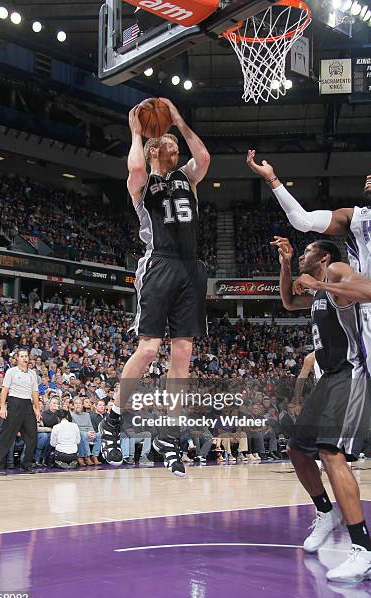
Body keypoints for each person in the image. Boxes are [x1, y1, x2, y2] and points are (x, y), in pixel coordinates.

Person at [99, 97, 210, 477]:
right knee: (148, 349)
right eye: (169, 143)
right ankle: (114, 417)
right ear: (153, 150)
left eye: (176, 144)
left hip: (191, 266)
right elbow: (134, 165)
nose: (176, 147)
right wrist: (135, 132)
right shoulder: (143, 183)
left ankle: (168, 432)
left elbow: (205, 157)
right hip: (159, 261)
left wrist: (179, 120)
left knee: (182, 357)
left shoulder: (187, 178)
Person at [275, 234, 371, 582]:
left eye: (305, 252)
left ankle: (363, 548)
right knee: (297, 450)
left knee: (331, 453)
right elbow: (287, 301)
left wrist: (318, 282)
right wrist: (286, 266)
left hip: (351, 371)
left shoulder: (339, 271)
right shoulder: (318, 291)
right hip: (328, 377)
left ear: (324, 255)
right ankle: (326, 512)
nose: (302, 256)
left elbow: (370, 291)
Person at [247, 151, 371, 373]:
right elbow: (302, 220)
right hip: (363, 306)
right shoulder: (356, 217)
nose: (368, 177)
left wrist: (318, 285)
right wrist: (272, 179)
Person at [0, 349, 39, 475]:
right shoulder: (11, 372)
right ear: (17, 358)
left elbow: (35, 392)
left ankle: (26, 464)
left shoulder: (33, 373)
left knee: (32, 436)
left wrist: (37, 408)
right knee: (7, 436)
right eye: (22, 356)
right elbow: (4, 389)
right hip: (14, 403)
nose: (25, 358)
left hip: (27, 405)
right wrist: (3, 407)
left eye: (26, 356)